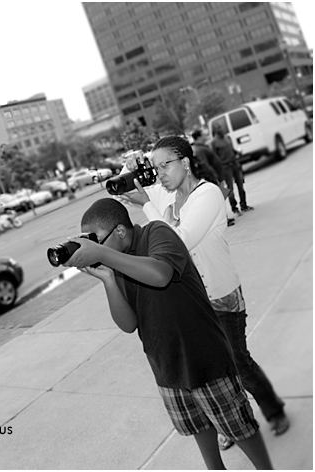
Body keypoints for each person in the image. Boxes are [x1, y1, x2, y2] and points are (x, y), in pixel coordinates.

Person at [64, 198, 273, 470]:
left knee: (240, 429)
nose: (95, 247)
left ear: (120, 231)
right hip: (166, 366)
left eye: (96, 240)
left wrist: (103, 254)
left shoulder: (156, 233)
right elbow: (128, 324)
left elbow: (161, 274)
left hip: (205, 357)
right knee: (198, 427)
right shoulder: (114, 262)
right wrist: (108, 279)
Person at [118, 136, 289, 451]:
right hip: (195, 303)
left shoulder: (207, 193)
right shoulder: (165, 192)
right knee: (212, 372)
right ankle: (228, 423)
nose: (160, 174)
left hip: (222, 296)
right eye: (155, 168)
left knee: (237, 364)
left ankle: (273, 409)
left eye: (165, 165)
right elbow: (134, 186)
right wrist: (131, 170)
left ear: (184, 162)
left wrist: (145, 204)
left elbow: (177, 241)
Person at [191, 129, 234, 227]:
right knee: (217, 200)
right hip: (213, 177)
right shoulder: (200, 149)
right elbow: (205, 164)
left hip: (217, 176)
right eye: (203, 135)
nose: (206, 136)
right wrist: (213, 176)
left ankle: (224, 218)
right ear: (198, 137)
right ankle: (222, 220)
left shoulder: (202, 147)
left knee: (220, 199)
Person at [211, 124, 254, 216]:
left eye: (221, 127)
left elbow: (231, 149)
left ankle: (244, 205)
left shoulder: (227, 138)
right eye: (219, 128)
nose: (221, 129)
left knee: (240, 184)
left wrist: (237, 152)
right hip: (226, 167)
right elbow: (214, 157)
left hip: (235, 164)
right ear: (215, 131)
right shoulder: (214, 142)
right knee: (230, 188)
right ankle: (234, 208)